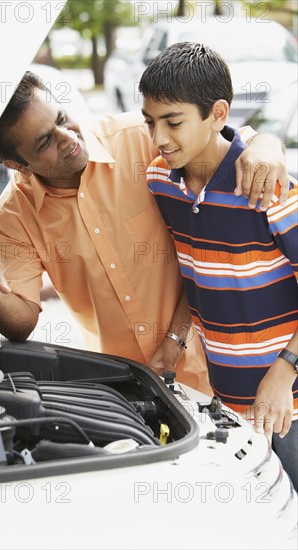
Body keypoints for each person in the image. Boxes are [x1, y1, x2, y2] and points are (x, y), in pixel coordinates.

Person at [0, 71, 289, 397]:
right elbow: (21, 323)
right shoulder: (13, 217)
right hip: (124, 386)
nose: (68, 137)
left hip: (221, 368)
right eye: (45, 141)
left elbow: (227, 141)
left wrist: (267, 143)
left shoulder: (140, 138)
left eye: (62, 118)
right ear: (17, 165)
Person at [141, 42, 297, 488]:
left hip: (286, 401)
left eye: (173, 122)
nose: (159, 138)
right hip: (228, 400)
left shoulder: (267, 187)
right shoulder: (161, 181)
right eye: (150, 123)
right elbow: (201, 268)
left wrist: (284, 373)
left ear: (218, 113)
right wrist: (174, 342)